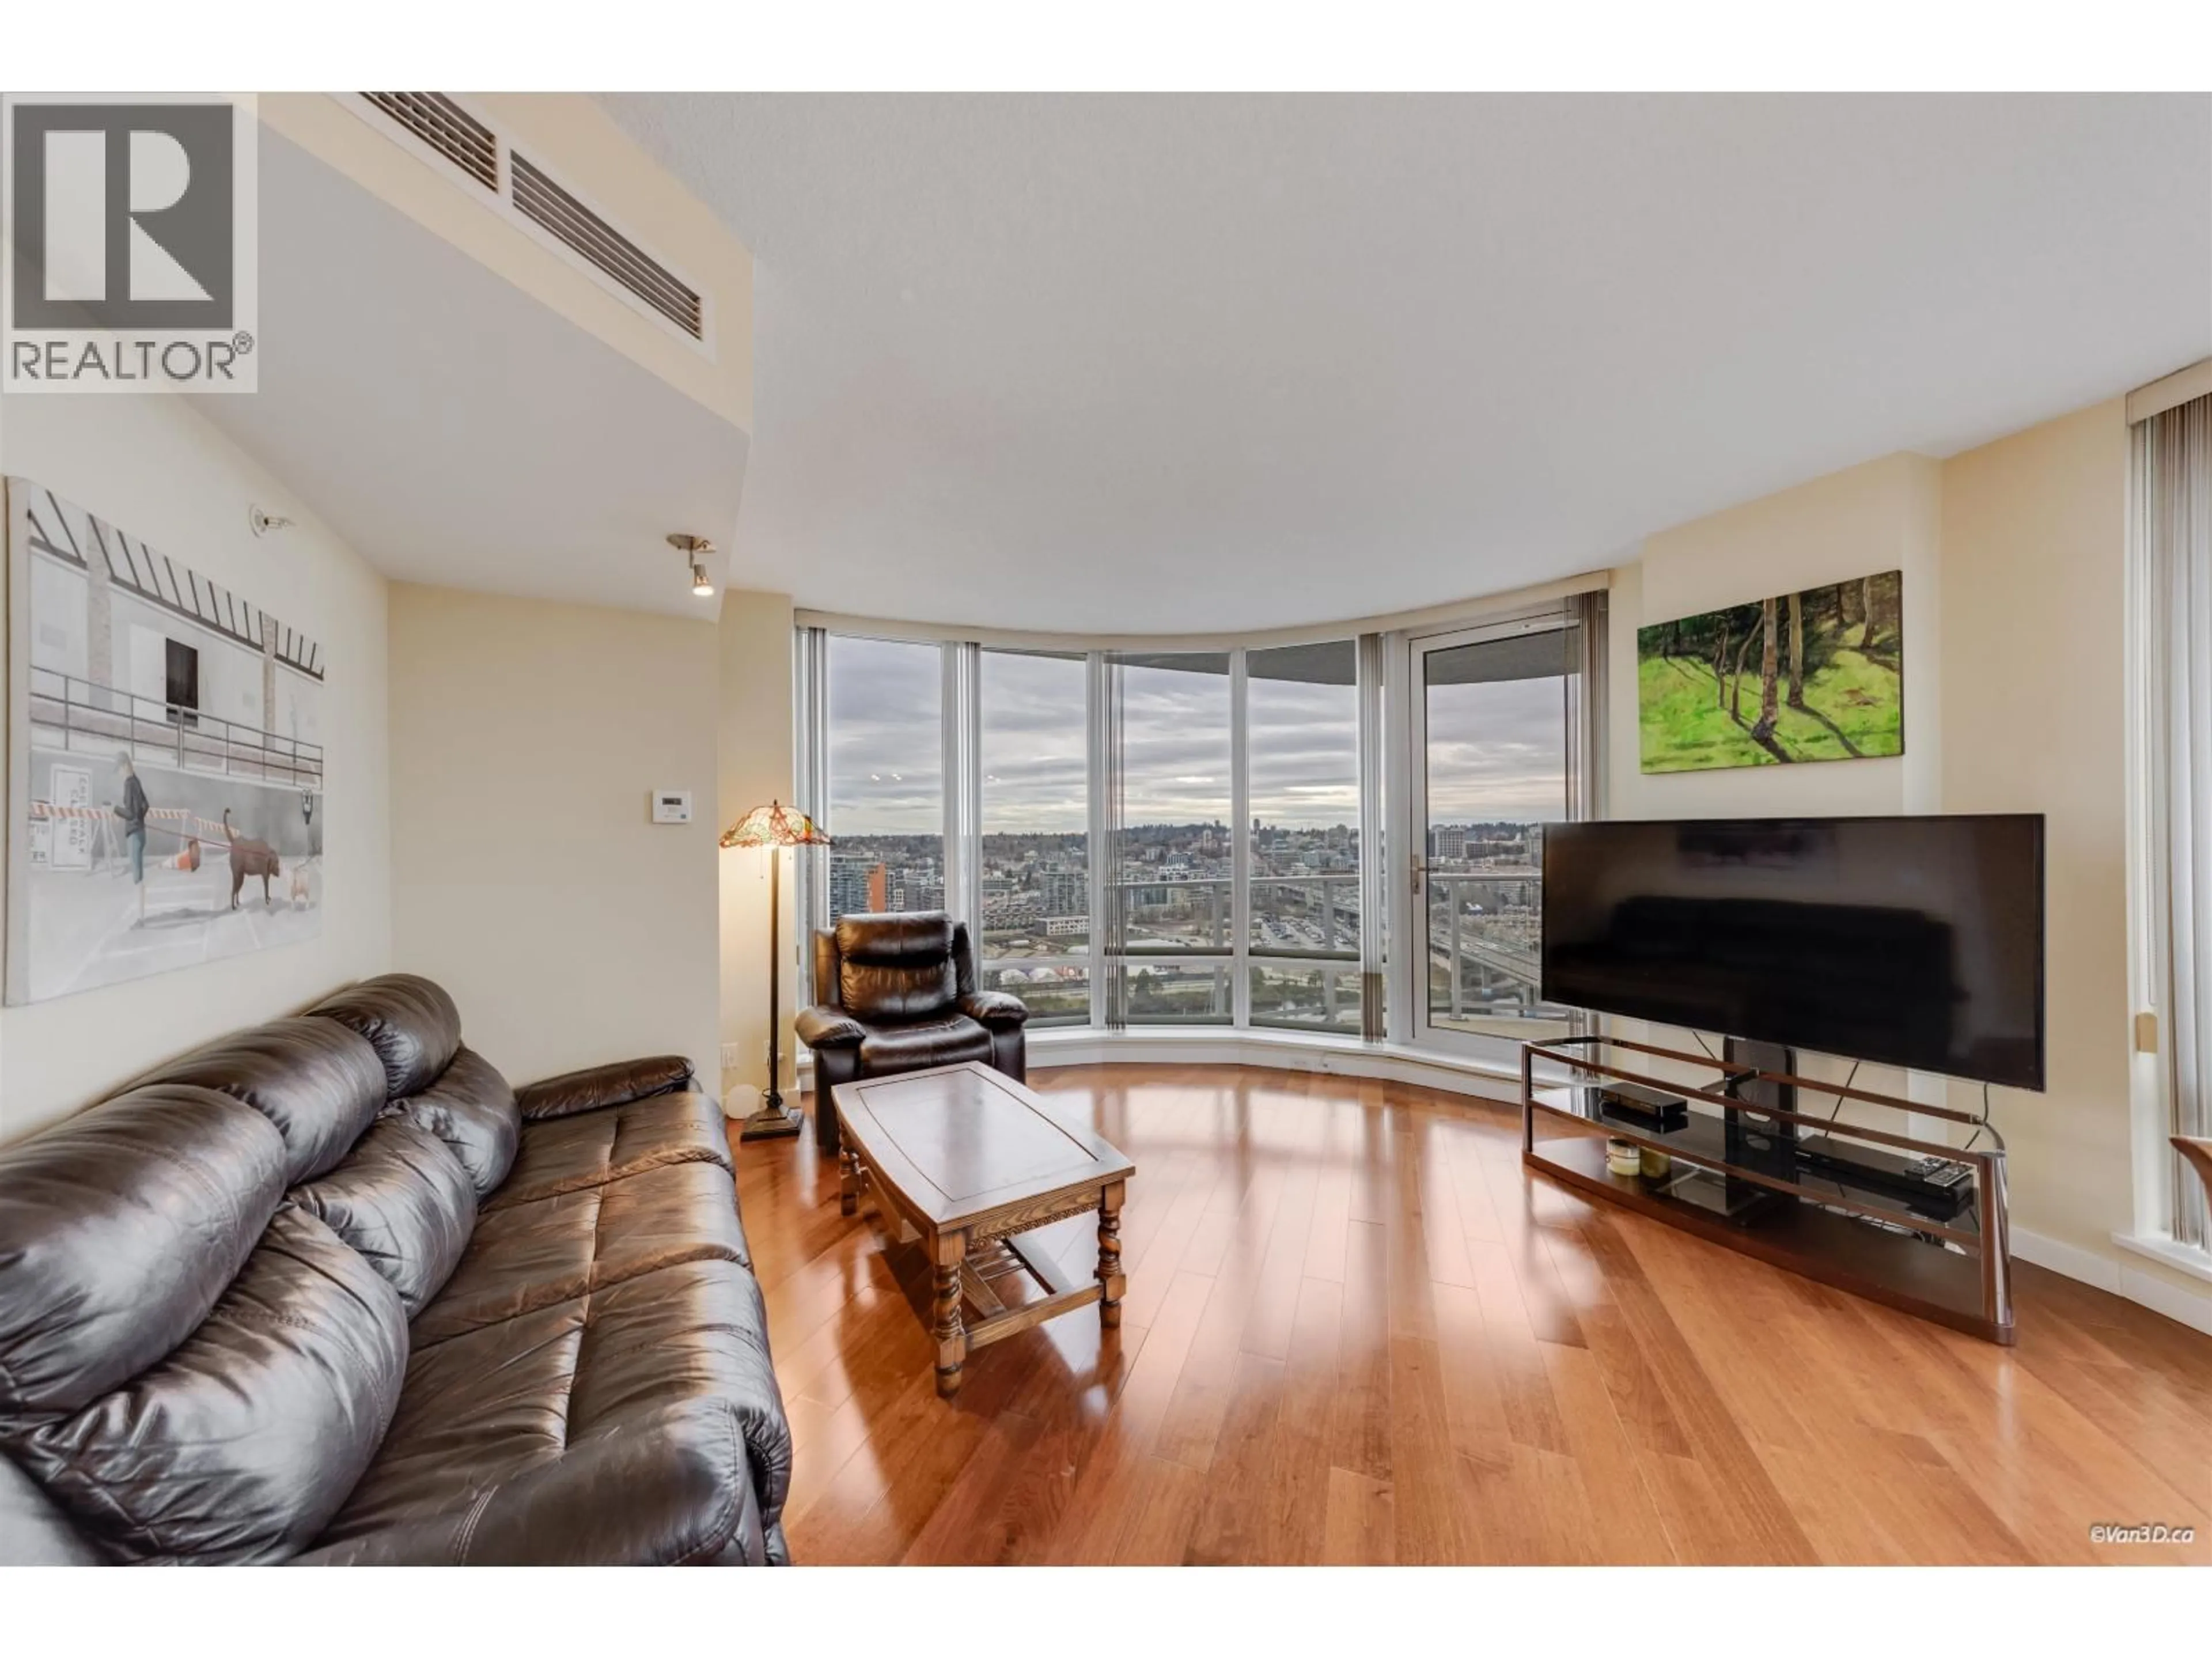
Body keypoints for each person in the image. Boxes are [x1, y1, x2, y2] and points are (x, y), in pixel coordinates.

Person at [112, 752, 149, 925]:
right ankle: (140, 915)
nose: (119, 773)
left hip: (134, 834)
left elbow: (131, 812)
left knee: (137, 877)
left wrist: (115, 809)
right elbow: (145, 805)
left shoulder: (128, 783)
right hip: (141, 833)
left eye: (119, 769)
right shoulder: (137, 781)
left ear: (125, 765)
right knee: (139, 875)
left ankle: (140, 918)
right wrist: (140, 819)